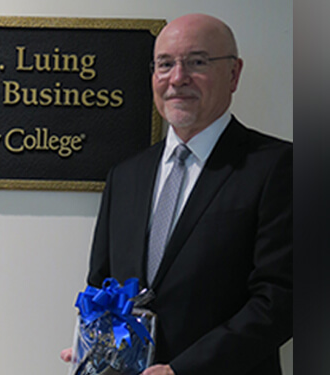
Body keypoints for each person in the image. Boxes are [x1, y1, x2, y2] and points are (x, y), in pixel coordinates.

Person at [62, 13, 292, 375]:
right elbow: (100, 285)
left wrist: (183, 370)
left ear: (234, 74)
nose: (177, 78)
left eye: (197, 62)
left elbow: (281, 299)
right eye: (165, 64)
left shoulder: (279, 167)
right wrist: (92, 345)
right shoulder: (124, 176)